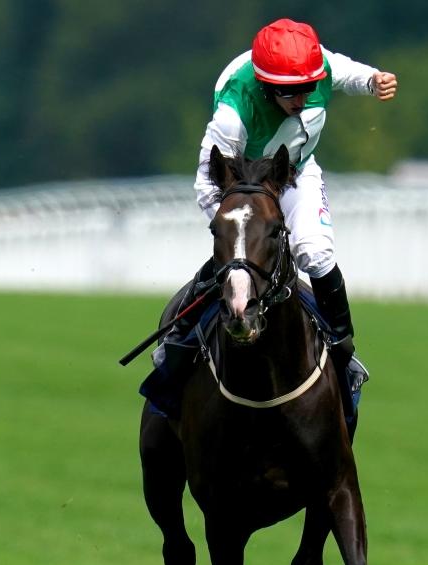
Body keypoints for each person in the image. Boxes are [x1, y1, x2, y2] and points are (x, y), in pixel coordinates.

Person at [164, 17, 397, 393]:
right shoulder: (233, 114)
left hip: (296, 173)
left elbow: (344, 71)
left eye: (307, 88)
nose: (301, 99)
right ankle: (178, 341)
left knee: (316, 254)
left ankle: (343, 353)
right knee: (241, 254)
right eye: (289, 93)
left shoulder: (317, 66)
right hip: (245, 184)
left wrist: (373, 80)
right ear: (265, 85)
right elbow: (206, 183)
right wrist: (241, 225)